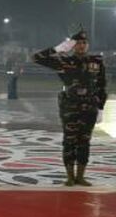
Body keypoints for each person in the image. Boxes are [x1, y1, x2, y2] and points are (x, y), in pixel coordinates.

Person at [33, 30, 107, 187]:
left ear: (88, 45)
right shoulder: (63, 61)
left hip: (90, 106)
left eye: (84, 43)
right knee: (69, 141)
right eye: (77, 43)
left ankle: (81, 176)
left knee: (85, 141)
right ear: (72, 46)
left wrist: (101, 107)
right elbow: (36, 58)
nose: (81, 46)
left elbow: (102, 86)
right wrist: (59, 48)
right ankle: (70, 177)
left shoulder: (97, 61)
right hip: (70, 106)